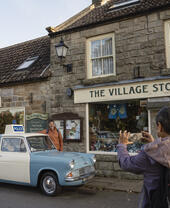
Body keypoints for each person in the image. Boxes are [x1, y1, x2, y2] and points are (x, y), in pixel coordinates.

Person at [117, 106, 170, 208]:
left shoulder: (149, 153)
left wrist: (122, 145)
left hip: (156, 202)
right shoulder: (155, 148)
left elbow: (126, 163)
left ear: (159, 126)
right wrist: (154, 143)